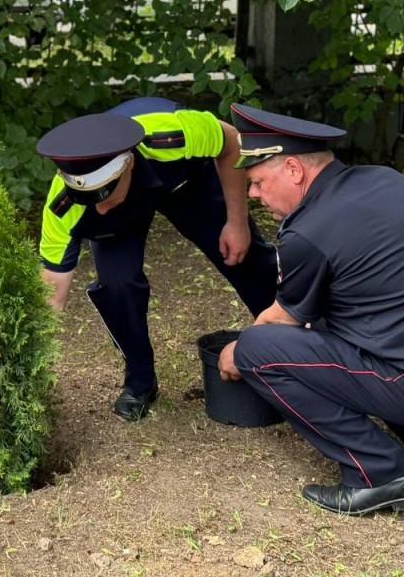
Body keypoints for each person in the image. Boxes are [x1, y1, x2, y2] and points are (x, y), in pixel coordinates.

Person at [219, 103, 404, 516]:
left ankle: (381, 474)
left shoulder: (309, 231)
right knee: (342, 311)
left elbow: (282, 322)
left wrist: (235, 353)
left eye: (259, 182)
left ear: (294, 170)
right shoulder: (381, 179)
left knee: (257, 351)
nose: (253, 194)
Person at [35, 96, 278, 421]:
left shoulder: (171, 133)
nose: (100, 208)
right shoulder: (63, 206)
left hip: (183, 182)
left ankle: (289, 351)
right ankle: (140, 383)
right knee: (117, 286)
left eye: (104, 194)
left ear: (129, 163)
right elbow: (52, 292)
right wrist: (27, 358)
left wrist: (236, 222)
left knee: (242, 256)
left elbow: (231, 142)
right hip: (125, 217)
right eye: (88, 200)